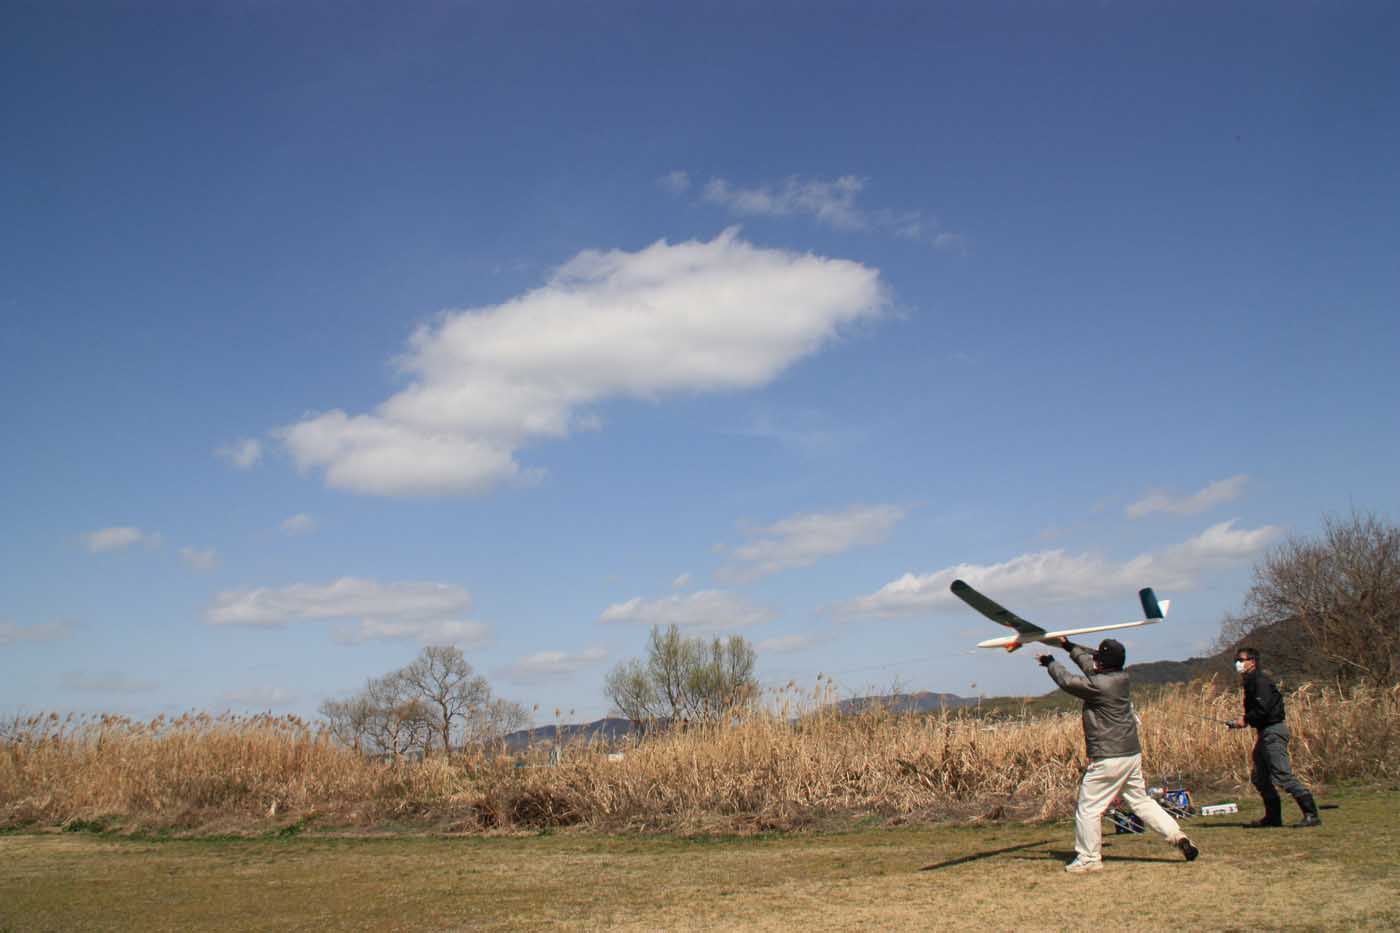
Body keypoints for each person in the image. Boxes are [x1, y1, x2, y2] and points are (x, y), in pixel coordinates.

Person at [1039, 637, 1199, 873]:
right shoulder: (1121, 678)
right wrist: (1068, 646)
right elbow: (1088, 666)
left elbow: (1069, 682)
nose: (1093, 661)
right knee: (1141, 801)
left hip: (1108, 756)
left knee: (1089, 808)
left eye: (1097, 658)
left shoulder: (1100, 686)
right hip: (1130, 753)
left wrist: (1050, 662)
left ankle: (1089, 858)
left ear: (1102, 663)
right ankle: (1178, 836)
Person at [1229, 646, 1321, 828]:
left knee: (1282, 774)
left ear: (1252, 662)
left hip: (1273, 732)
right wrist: (1244, 721)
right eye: (1236, 661)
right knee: (1260, 777)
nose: (1238, 664)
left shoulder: (1260, 682)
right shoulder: (1251, 682)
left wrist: (1245, 719)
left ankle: (1311, 814)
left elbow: (1264, 709)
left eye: (1242, 660)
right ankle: (1273, 817)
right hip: (1264, 732)